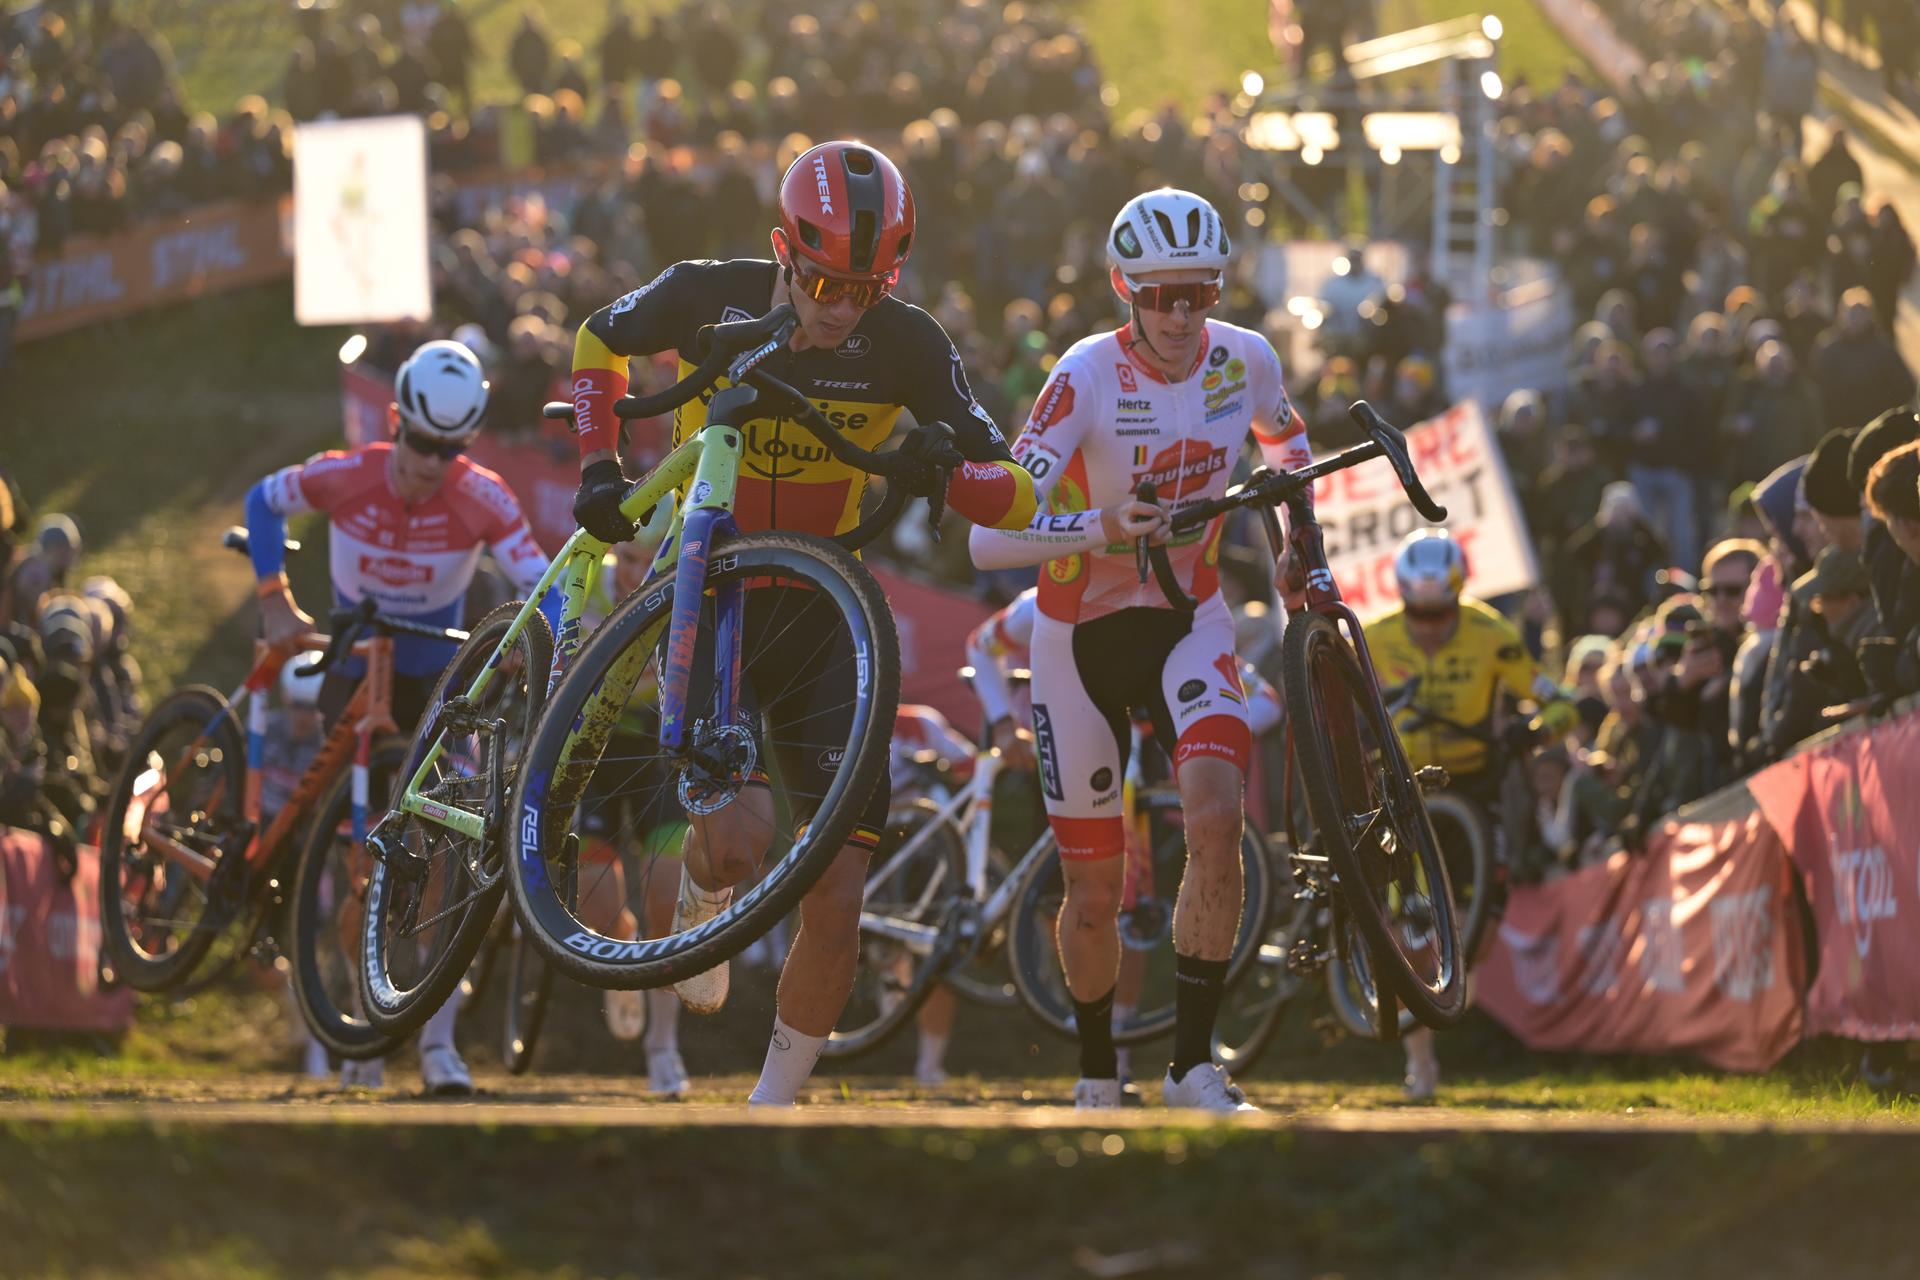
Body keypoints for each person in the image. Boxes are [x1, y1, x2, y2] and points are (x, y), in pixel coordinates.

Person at [567, 140, 1037, 1110]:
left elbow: (1020, 491)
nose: (839, 309)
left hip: (828, 613)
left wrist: (946, 469)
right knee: (737, 845)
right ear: (783, 250)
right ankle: (704, 889)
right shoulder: (707, 293)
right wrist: (598, 463)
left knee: (840, 894)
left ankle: (771, 1110)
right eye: (822, 283)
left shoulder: (907, 342)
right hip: (716, 590)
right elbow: (596, 339)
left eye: (865, 290)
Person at [969, 188, 1313, 1113]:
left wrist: (1300, 549)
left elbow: (1288, 450)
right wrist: (1100, 525)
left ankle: (1192, 1067)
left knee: (1216, 819)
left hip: (1189, 620)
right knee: (1093, 890)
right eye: (1160, 295)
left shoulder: (1246, 359)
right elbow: (989, 540)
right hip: (1076, 639)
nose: (1180, 315)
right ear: (1125, 288)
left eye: (1198, 293)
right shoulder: (1084, 374)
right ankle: (1096, 1070)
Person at [245, 338, 554, 1096]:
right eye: (419, 441)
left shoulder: (483, 496)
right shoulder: (346, 473)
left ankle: (439, 1043)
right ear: (395, 422)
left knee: (446, 856)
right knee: (362, 865)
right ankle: (364, 1033)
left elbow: (542, 580)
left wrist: (526, 637)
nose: (429, 462)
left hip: (433, 682)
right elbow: (261, 500)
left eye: (448, 449)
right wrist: (273, 597)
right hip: (354, 672)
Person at [1363, 529, 1577, 1100]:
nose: (1430, 627)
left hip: (1476, 784)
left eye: (1441, 614)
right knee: (1411, 932)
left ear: (1459, 596)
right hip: (1404, 788)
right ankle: (1421, 1065)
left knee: (1473, 939)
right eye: (1418, 614)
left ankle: (1448, 998)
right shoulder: (1374, 637)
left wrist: (1534, 731)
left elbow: (1561, 703)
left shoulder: (1493, 634)